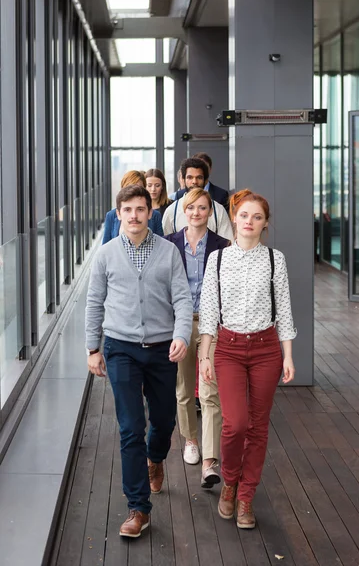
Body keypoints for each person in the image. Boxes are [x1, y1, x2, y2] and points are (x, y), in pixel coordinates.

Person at [85, 185, 193, 538]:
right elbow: (94, 303)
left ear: (150, 213)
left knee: (162, 421)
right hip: (121, 349)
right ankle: (138, 509)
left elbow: (182, 297)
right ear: (119, 214)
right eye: (127, 210)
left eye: (140, 209)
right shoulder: (106, 255)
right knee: (131, 428)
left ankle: (156, 456)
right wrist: (93, 348)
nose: (134, 215)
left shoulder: (168, 252)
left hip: (163, 349)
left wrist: (181, 335)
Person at [198, 189, 296, 529]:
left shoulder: (275, 259)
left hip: (267, 348)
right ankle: (229, 481)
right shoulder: (218, 259)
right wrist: (205, 355)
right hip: (227, 348)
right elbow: (209, 309)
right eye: (244, 216)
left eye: (256, 217)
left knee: (257, 427)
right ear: (234, 219)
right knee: (235, 423)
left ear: (265, 223)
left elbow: (283, 308)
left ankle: (245, 498)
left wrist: (288, 355)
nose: (249, 222)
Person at [164, 188, 230, 488]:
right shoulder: (169, 245)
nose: (196, 213)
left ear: (210, 212)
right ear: (184, 211)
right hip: (180, 323)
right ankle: (191, 440)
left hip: (210, 324)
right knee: (184, 387)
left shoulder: (222, 245)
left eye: (202, 208)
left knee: (210, 390)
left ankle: (210, 460)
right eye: (191, 208)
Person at [162, 158, 234, 242]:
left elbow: (228, 244)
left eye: (199, 178)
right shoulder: (171, 211)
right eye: (190, 177)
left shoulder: (219, 210)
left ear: (206, 181)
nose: (194, 181)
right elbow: (166, 246)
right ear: (183, 180)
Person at [103, 170, 163, 243]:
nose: (133, 192)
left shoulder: (155, 216)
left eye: (138, 188)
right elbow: (105, 246)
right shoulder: (111, 216)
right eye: (129, 188)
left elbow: (161, 245)